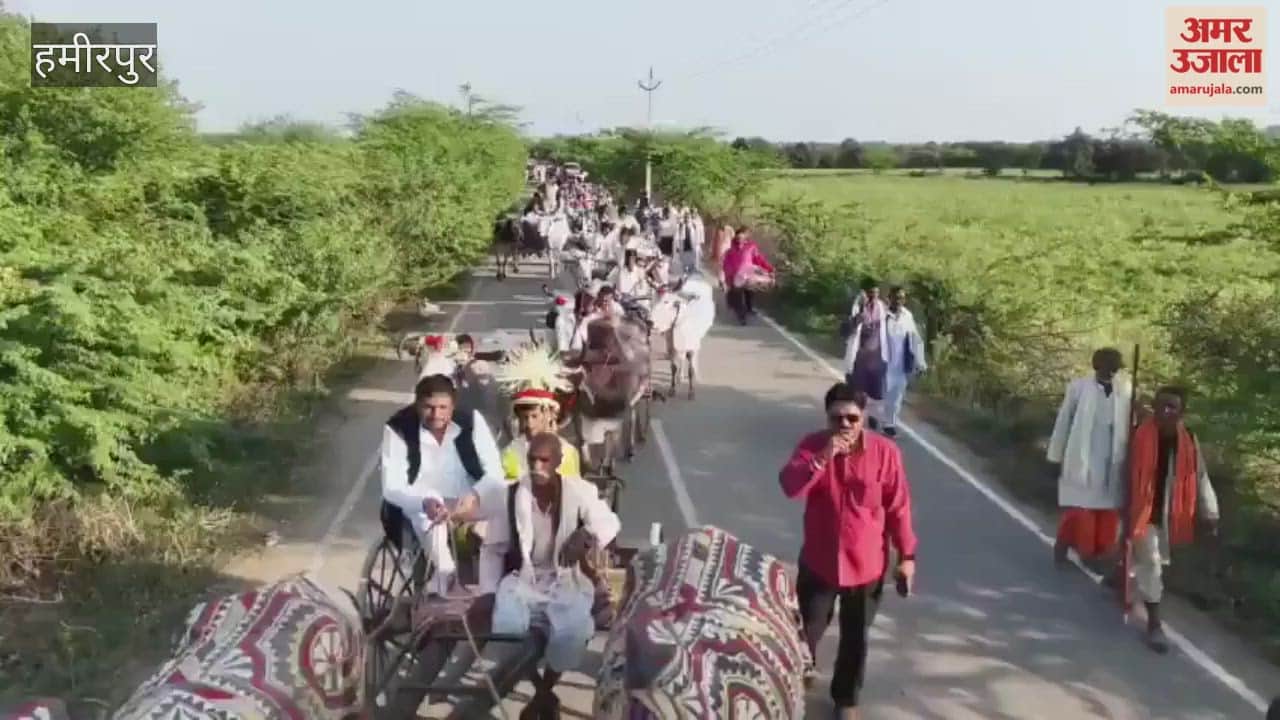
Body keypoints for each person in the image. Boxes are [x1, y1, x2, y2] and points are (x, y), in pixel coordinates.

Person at [441, 433, 621, 718]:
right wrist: (487, 593)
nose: (537, 466)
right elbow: (493, 550)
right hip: (523, 582)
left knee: (573, 633)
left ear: (559, 462)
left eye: (544, 460)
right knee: (508, 632)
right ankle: (542, 694)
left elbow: (609, 520)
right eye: (532, 460)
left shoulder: (579, 491)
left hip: (565, 582)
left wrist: (587, 534)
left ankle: (543, 691)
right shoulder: (511, 495)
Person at [779, 383, 917, 720]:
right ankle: (796, 681)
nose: (845, 425)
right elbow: (790, 486)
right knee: (804, 633)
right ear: (827, 418)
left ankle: (846, 698)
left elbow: (898, 508)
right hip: (819, 561)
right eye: (837, 418)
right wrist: (824, 457)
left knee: (856, 638)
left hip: (866, 565)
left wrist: (907, 558)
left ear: (864, 417)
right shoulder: (812, 446)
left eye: (852, 418)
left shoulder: (885, 454)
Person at [380, 374, 504, 595]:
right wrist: (424, 501)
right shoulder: (398, 428)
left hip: (468, 498)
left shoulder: (471, 421)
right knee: (424, 511)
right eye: (428, 407)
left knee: (505, 498)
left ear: (453, 406)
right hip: (426, 503)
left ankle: (493, 584)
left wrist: (475, 494)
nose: (436, 415)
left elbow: (495, 472)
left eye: (442, 407)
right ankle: (446, 573)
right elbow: (392, 487)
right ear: (417, 404)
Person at [1124, 386, 1219, 653]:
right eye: (1161, 405)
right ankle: (1154, 625)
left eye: (1172, 407)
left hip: (1167, 515)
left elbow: (1200, 478)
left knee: (1152, 562)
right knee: (1152, 563)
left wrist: (1210, 513)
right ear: (1154, 406)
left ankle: (1123, 574)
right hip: (1140, 511)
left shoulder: (1188, 440)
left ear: (1181, 412)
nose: (1165, 411)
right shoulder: (1138, 432)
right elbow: (1120, 466)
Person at [1046, 348, 1132, 569]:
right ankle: (1066, 545)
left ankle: (1101, 553)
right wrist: (1055, 455)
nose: (1112, 371)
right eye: (1108, 366)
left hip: (1112, 460)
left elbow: (1130, 428)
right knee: (1080, 507)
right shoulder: (1078, 388)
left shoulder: (1126, 392)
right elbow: (1063, 422)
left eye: (1116, 367)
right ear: (1097, 365)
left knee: (1106, 510)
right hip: (1082, 455)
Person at [495, 345, 582, 481]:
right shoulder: (510, 453)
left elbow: (572, 492)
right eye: (525, 417)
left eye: (534, 416)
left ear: (547, 414)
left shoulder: (567, 453)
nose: (529, 423)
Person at [878, 287, 927, 437]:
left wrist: (921, 362)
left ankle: (889, 425)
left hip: (900, 364)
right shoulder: (882, 315)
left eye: (902, 298)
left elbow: (916, 340)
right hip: (882, 362)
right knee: (877, 395)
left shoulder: (907, 316)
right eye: (896, 297)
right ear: (889, 298)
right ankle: (872, 418)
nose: (899, 300)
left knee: (896, 397)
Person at [841, 281, 889, 429]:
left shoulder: (883, 308)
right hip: (859, 356)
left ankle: (873, 418)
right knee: (858, 390)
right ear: (864, 293)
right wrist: (860, 312)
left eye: (876, 293)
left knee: (876, 391)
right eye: (870, 293)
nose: (873, 296)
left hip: (877, 356)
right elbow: (847, 329)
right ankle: (856, 418)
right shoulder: (856, 307)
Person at [720, 227, 775, 324]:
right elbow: (726, 264)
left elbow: (759, 259)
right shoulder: (730, 251)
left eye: (743, 235)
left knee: (749, 290)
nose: (740, 237)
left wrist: (769, 268)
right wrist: (729, 275)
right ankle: (741, 316)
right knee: (737, 297)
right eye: (738, 235)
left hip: (748, 275)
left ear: (746, 237)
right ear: (736, 237)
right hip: (735, 277)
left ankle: (749, 307)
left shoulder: (751, 247)